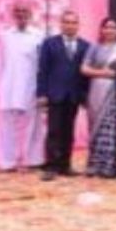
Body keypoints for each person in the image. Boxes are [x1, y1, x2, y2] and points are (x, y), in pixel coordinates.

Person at [37, 10, 90, 181]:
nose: (70, 26)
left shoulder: (85, 46)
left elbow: (86, 76)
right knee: (54, 131)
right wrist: (42, 93)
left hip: (74, 96)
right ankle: (51, 166)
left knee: (68, 131)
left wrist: (85, 96)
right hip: (55, 94)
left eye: (73, 22)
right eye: (67, 22)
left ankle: (65, 165)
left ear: (78, 25)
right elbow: (43, 70)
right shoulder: (49, 44)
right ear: (61, 24)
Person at [0, 4, 45, 172]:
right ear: (13, 14)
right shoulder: (5, 36)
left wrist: (42, 89)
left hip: (31, 86)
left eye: (25, 11)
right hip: (9, 86)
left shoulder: (39, 36)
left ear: (30, 14)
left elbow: (42, 65)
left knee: (34, 126)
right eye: (18, 11)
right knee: (6, 126)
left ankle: (33, 160)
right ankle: (6, 162)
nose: (21, 14)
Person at [81, 18, 116, 178]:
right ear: (101, 30)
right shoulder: (94, 48)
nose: (109, 30)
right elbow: (84, 69)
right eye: (106, 27)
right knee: (94, 124)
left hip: (113, 92)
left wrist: (114, 75)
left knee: (110, 127)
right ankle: (94, 165)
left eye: (113, 27)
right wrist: (104, 73)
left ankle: (109, 165)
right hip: (96, 89)